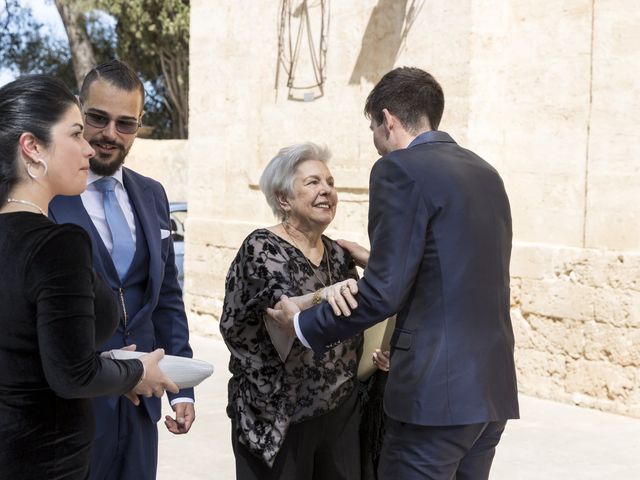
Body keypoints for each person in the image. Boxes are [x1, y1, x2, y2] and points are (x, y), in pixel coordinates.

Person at [268, 67, 520, 479]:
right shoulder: (486, 173)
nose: (375, 142)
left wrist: (301, 325)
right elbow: (461, 269)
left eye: (373, 128)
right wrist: (378, 257)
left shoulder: (399, 169)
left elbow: (382, 294)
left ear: (387, 120)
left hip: (433, 398)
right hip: (490, 393)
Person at [0, 75, 178, 479]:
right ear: (32, 148)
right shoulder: (59, 243)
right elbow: (71, 374)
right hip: (48, 456)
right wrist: (138, 371)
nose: (88, 147)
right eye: (77, 132)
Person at [48, 59, 194, 480]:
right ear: (78, 111)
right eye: (98, 118)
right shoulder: (48, 195)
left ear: (139, 125)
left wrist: (181, 388)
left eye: (125, 123)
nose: (111, 134)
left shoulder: (152, 194)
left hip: (141, 406)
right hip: (74, 408)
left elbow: (166, 298)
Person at [220, 142, 377, 480]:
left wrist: (374, 264)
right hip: (277, 417)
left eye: (330, 183)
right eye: (313, 182)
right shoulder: (261, 247)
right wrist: (324, 295)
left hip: (340, 413)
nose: (327, 191)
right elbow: (285, 306)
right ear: (284, 200)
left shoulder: (338, 254)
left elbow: (364, 312)